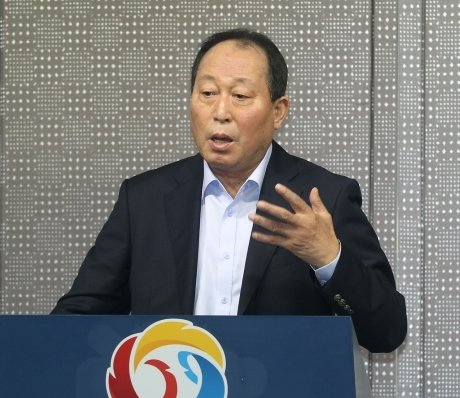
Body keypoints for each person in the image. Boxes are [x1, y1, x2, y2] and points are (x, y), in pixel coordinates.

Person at [52, 28, 407, 353]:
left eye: (240, 95)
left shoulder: (323, 199)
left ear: (278, 111)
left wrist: (328, 257)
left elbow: (386, 331)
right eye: (207, 93)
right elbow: (79, 318)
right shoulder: (144, 200)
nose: (220, 112)